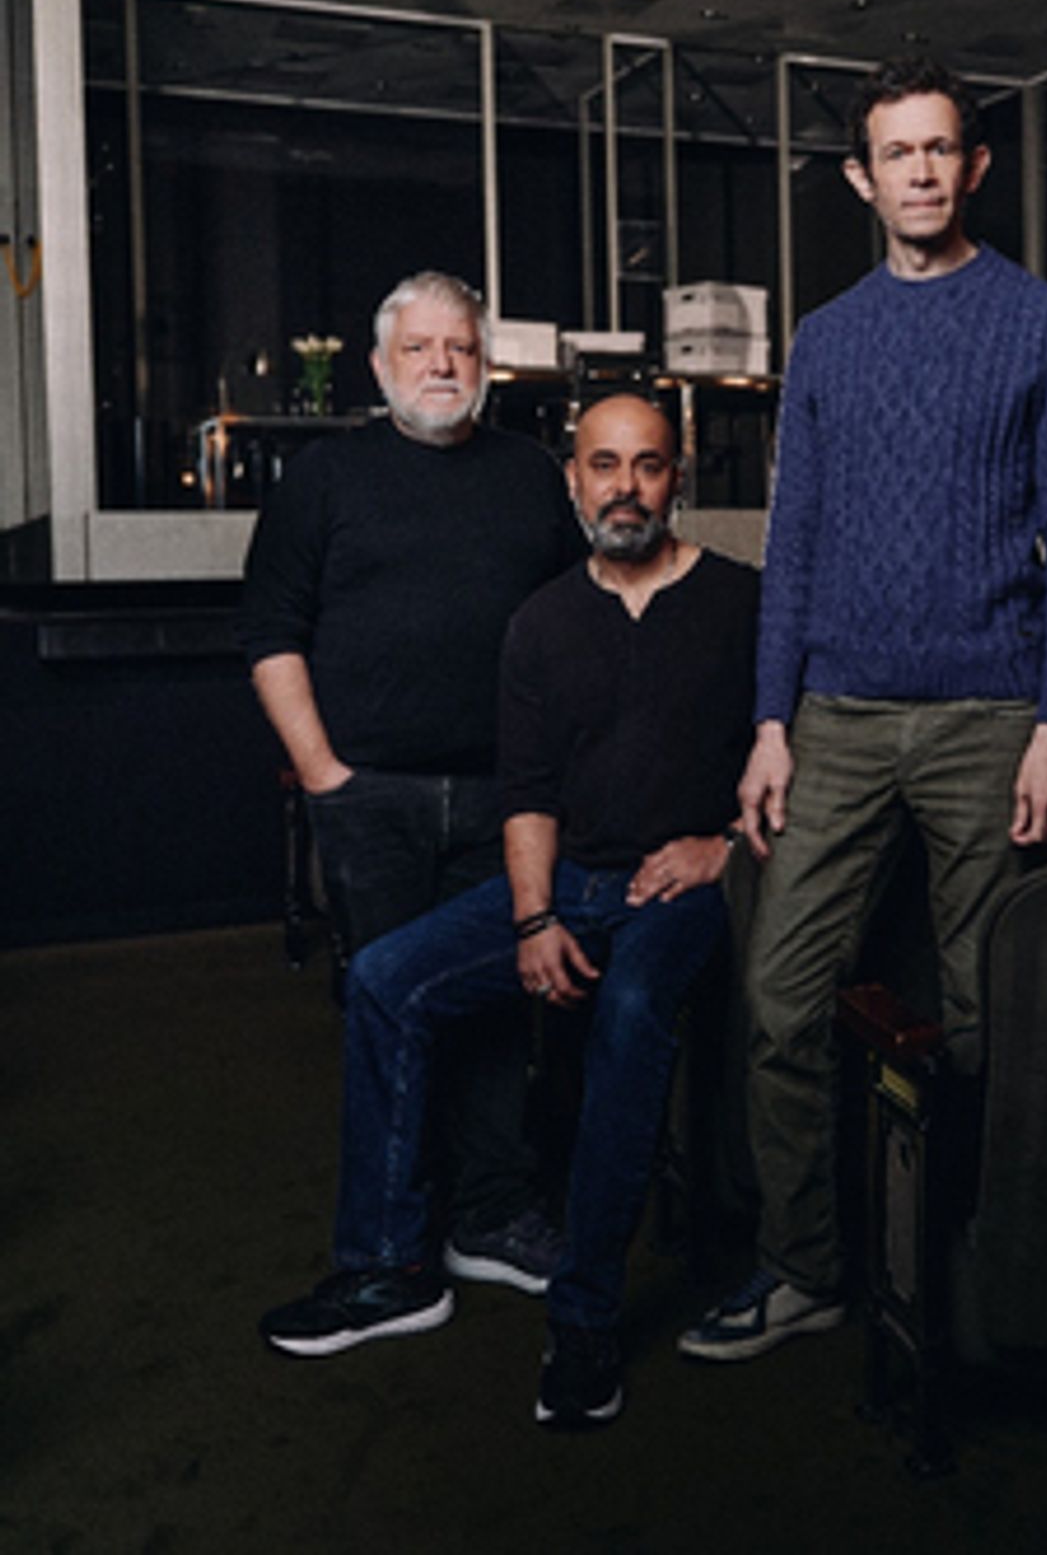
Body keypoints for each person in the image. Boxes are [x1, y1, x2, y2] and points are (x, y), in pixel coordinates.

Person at [679, 56, 1047, 1364]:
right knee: (781, 994)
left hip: (990, 711)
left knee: (985, 1011)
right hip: (839, 713)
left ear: (972, 165)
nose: (920, 171)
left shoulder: (1043, 321)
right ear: (862, 179)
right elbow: (791, 541)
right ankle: (806, 1263)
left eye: (940, 149)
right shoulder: (830, 337)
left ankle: (978, 1266)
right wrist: (770, 720)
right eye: (895, 154)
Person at [259, 394, 759, 1430]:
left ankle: (583, 1320)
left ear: (678, 478)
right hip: (566, 879)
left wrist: (724, 847)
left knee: (625, 1010)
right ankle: (391, 1266)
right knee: (388, 980)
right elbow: (525, 793)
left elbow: (790, 760)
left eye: (648, 465)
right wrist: (533, 921)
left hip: (683, 888)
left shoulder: (740, 600)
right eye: (604, 466)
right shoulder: (538, 624)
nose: (626, 486)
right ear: (570, 482)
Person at [238, 270, 584, 1295]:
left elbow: (577, 623)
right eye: (421, 349)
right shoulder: (323, 479)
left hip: (504, 799)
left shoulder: (529, 475)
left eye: (461, 350)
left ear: (484, 366)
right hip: (371, 798)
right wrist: (326, 778)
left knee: (488, 1009)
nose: (443, 365)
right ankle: (394, 1244)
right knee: (387, 1011)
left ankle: (488, 1215)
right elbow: (269, 635)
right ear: (382, 365)